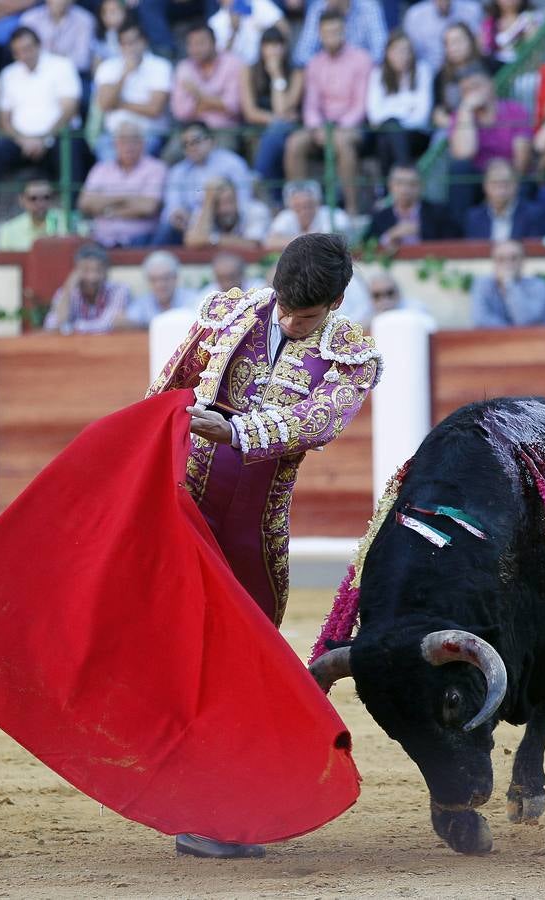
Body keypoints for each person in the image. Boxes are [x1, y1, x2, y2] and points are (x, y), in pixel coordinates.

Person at [146, 235, 380, 866]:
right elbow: (165, 391)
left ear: (334, 305)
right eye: (283, 306)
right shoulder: (229, 313)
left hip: (254, 525)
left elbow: (320, 421)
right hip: (188, 504)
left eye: (304, 318)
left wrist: (238, 429)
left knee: (240, 656)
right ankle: (209, 804)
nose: (286, 321)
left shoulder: (351, 353)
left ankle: (221, 806)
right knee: (185, 650)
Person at [285, 10, 371, 216]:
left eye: (336, 31)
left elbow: (361, 105)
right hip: (321, 126)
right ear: (320, 34)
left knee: (342, 143)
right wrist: (317, 128)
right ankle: (298, 209)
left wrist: (336, 129)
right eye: (327, 32)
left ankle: (351, 209)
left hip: (352, 126)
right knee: (295, 143)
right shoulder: (314, 63)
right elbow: (310, 105)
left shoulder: (361, 59)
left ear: (345, 31)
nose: (332, 36)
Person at [0, 27, 83, 190]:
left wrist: (44, 138)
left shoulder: (61, 65)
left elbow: (69, 109)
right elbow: (4, 120)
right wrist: (23, 141)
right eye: (19, 51)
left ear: (39, 45)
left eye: (28, 48)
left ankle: (72, 210)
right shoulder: (8, 74)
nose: (25, 55)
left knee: (70, 149)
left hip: (56, 137)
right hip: (21, 142)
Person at [447, 70, 532, 222]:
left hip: (511, 175)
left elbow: (522, 162)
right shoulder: (460, 115)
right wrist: (466, 109)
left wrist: (500, 174)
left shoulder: (515, 110)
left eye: (476, 87)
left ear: (491, 85)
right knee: (460, 169)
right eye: (466, 90)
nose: (472, 94)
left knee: (520, 183)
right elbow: (464, 154)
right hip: (479, 178)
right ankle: (459, 235)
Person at [154, 122, 255, 246]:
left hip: (225, 221)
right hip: (191, 224)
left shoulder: (232, 163)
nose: (191, 147)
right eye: (186, 144)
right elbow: (171, 208)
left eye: (196, 141)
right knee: (167, 228)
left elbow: (244, 200)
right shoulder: (178, 171)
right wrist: (177, 215)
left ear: (211, 141)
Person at [77, 120, 167, 247]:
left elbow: (148, 207)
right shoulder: (101, 169)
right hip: (102, 239)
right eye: (123, 141)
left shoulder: (156, 168)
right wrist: (126, 198)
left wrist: (107, 210)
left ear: (143, 143)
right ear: (115, 144)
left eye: (133, 141)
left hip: (141, 240)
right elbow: (84, 203)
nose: (128, 146)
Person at [94, 19, 172, 161]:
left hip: (148, 134)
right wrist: (124, 75)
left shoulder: (161, 66)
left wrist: (120, 104)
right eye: (125, 43)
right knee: (106, 154)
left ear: (144, 41)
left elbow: (154, 110)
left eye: (134, 42)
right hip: (114, 135)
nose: (130, 47)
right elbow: (104, 105)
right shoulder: (107, 67)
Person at [241, 27, 303, 201]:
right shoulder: (249, 71)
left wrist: (276, 76)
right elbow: (250, 112)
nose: (273, 51)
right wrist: (276, 120)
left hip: (289, 130)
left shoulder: (296, 72)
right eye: (269, 46)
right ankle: (274, 197)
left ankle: (259, 177)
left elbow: (284, 107)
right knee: (275, 130)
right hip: (260, 128)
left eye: (278, 45)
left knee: (277, 131)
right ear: (261, 48)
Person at [366, 30, 432, 173]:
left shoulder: (423, 70)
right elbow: (374, 115)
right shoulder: (378, 74)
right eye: (397, 50)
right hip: (387, 133)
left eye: (406, 51)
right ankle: (405, 174)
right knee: (386, 137)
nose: (402, 55)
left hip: (417, 135)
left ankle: (390, 186)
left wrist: (392, 114)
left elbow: (422, 117)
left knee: (390, 130)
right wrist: (406, 110)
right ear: (387, 52)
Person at [170, 20, 243, 142]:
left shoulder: (232, 63)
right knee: (172, 154)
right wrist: (217, 102)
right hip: (191, 129)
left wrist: (198, 95)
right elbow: (180, 112)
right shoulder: (184, 68)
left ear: (214, 43)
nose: (195, 49)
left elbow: (233, 106)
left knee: (225, 147)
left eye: (200, 43)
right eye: (191, 44)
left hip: (223, 129)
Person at [43, 242, 132, 333]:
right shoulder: (67, 291)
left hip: (109, 345)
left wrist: (72, 327)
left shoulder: (119, 290)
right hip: (74, 346)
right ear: (76, 272)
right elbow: (52, 325)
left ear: (106, 272)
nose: (92, 277)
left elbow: (108, 324)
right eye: (86, 270)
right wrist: (67, 290)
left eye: (98, 270)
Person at [363, 164, 459, 247]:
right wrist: (389, 236)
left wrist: (421, 230)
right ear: (390, 186)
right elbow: (366, 248)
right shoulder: (380, 217)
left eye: (412, 184)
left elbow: (454, 242)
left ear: (422, 186)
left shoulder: (439, 213)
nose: (405, 189)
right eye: (399, 183)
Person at [470, 239, 545, 328]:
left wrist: (509, 284)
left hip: (532, 341)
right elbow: (481, 320)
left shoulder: (538, 285)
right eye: (501, 259)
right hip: (495, 340)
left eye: (514, 258)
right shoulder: (482, 284)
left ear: (523, 261)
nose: (508, 263)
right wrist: (509, 332)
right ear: (494, 262)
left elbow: (526, 321)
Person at [464, 158, 545, 240]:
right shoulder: (474, 217)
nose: (501, 189)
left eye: (506, 183)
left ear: (516, 185)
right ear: (485, 186)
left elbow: (537, 249)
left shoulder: (535, 214)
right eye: (495, 183)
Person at [183, 175, 271, 249]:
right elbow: (191, 242)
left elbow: (252, 244)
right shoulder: (205, 210)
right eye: (217, 204)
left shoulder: (255, 210)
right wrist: (208, 203)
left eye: (229, 201)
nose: (225, 209)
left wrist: (212, 239)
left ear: (237, 198)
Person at [18, 0, 95, 85]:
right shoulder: (29, 19)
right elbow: (23, 53)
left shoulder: (85, 20)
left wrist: (53, 62)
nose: (60, 2)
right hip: (35, 72)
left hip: (69, 76)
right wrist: (63, 56)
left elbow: (82, 61)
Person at [292, 0, 387, 67]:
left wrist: (351, 66)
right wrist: (330, 64)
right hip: (326, 72)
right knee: (300, 73)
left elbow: (381, 51)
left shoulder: (369, 7)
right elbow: (301, 55)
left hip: (363, 73)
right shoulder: (318, 8)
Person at [263, 179, 351, 251]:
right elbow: (270, 242)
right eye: (298, 207)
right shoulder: (286, 216)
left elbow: (331, 242)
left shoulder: (334, 214)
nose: (304, 211)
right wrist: (306, 239)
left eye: (308, 205)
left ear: (317, 203)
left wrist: (294, 241)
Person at [431, 22, 485, 130]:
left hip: (489, 125)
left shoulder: (489, 64)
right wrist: (457, 125)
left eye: (458, 41)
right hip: (453, 129)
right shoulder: (440, 76)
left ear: (470, 41)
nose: (454, 47)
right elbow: (437, 113)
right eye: (448, 43)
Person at [124, 249, 201, 326]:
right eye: (154, 279)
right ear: (147, 281)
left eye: (165, 278)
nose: (160, 284)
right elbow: (128, 321)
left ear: (176, 278)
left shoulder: (192, 300)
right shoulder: (142, 303)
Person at [403, 0, 482, 72]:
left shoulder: (473, 9)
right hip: (429, 73)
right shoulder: (414, 15)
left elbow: (480, 44)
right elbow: (410, 53)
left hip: (470, 67)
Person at [0, 177, 73, 250]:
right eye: (33, 198)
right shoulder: (9, 231)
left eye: (46, 197)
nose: (40, 204)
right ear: (22, 200)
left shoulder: (67, 224)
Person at [209, 0, 285, 66]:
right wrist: (233, 31)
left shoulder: (257, 3)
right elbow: (219, 61)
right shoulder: (214, 22)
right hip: (235, 71)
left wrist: (265, 31)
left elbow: (284, 29)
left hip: (264, 64)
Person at [363, 270, 433, 329]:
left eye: (390, 293)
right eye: (377, 295)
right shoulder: (366, 312)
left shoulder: (415, 308)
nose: (384, 299)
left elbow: (430, 326)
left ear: (398, 293)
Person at [480, 0, 541, 68]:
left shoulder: (529, 19)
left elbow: (534, 52)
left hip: (521, 69)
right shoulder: (488, 23)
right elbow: (483, 50)